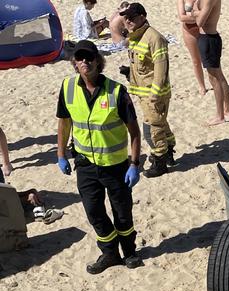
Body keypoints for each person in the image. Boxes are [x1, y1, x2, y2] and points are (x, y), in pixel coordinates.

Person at [56, 40, 143, 274]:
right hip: (85, 165)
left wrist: (134, 164)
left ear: (98, 60)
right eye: (80, 58)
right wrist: (61, 154)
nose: (85, 61)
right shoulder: (67, 88)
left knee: (122, 212)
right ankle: (109, 252)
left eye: (89, 57)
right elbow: (64, 123)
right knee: (94, 212)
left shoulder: (117, 91)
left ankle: (130, 251)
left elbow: (134, 132)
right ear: (74, 62)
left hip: (116, 166)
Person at [120, 3, 176, 177]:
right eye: (126, 18)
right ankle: (168, 153)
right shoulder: (136, 37)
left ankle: (159, 162)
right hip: (143, 92)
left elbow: (161, 69)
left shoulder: (154, 38)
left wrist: (155, 95)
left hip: (153, 94)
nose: (127, 21)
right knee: (161, 124)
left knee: (152, 129)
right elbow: (142, 65)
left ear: (142, 17)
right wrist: (129, 72)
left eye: (132, 18)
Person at [190, 0, 229, 126]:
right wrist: (197, 12)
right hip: (209, 38)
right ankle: (227, 110)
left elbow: (200, 21)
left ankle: (220, 115)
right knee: (219, 76)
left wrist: (195, 13)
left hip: (209, 39)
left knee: (214, 78)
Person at [177, 0, 208, 96]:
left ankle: (215, 82)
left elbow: (208, 12)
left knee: (208, 59)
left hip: (204, 28)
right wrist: (198, 16)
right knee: (196, 61)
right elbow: (182, 17)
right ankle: (202, 86)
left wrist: (192, 16)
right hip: (189, 30)